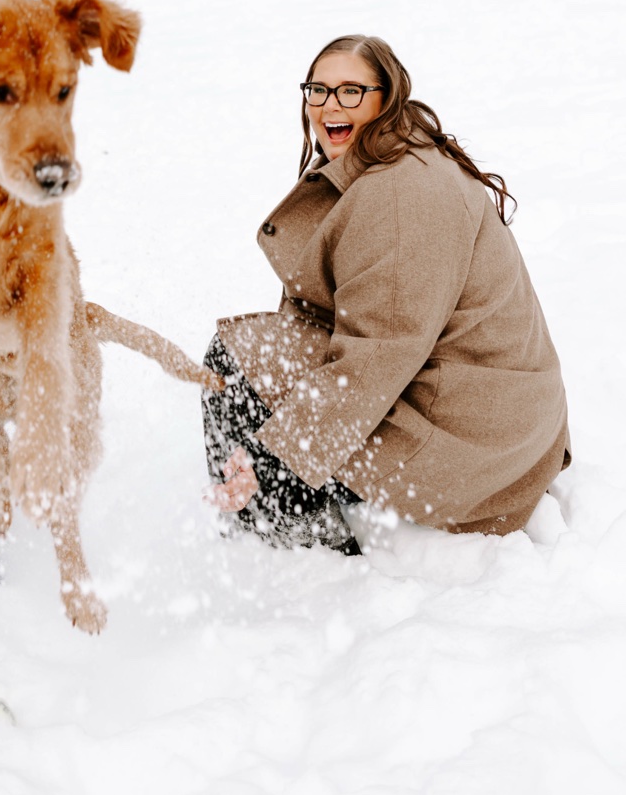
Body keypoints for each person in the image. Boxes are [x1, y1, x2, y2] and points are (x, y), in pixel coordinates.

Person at [202, 34, 570, 553]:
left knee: (235, 359)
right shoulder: (388, 158)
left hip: (475, 442)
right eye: (318, 90)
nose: (330, 105)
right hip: (486, 410)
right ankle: (276, 501)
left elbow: (378, 355)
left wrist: (272, 456)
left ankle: (286, 534)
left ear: (386, 97)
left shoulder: (402, 194)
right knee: (268, 356)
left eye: (351, 91)